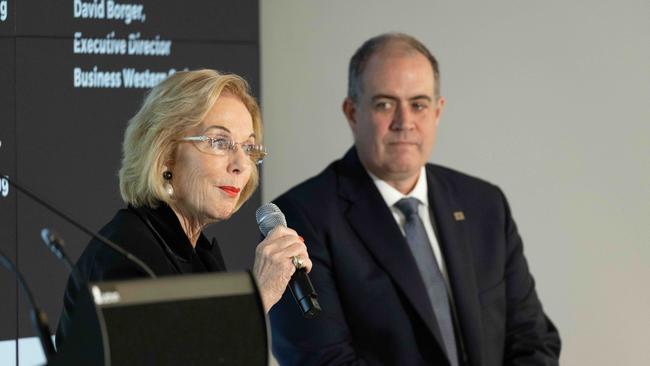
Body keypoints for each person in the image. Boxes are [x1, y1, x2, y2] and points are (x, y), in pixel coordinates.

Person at [269, 33, 561, 365]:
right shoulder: (302, 217)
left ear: (437, 112)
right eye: (384, 104)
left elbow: (533, 339)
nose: (404, 122)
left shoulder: (485, 205)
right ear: (352, 112)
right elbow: (320, 359)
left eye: (419, 104)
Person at [55, 69, 311, 351]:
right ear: (166, 155)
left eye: (249, 148)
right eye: (220, 142)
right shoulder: (126, 255)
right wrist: (260, 294)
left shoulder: (198, 255)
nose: (241, 164)